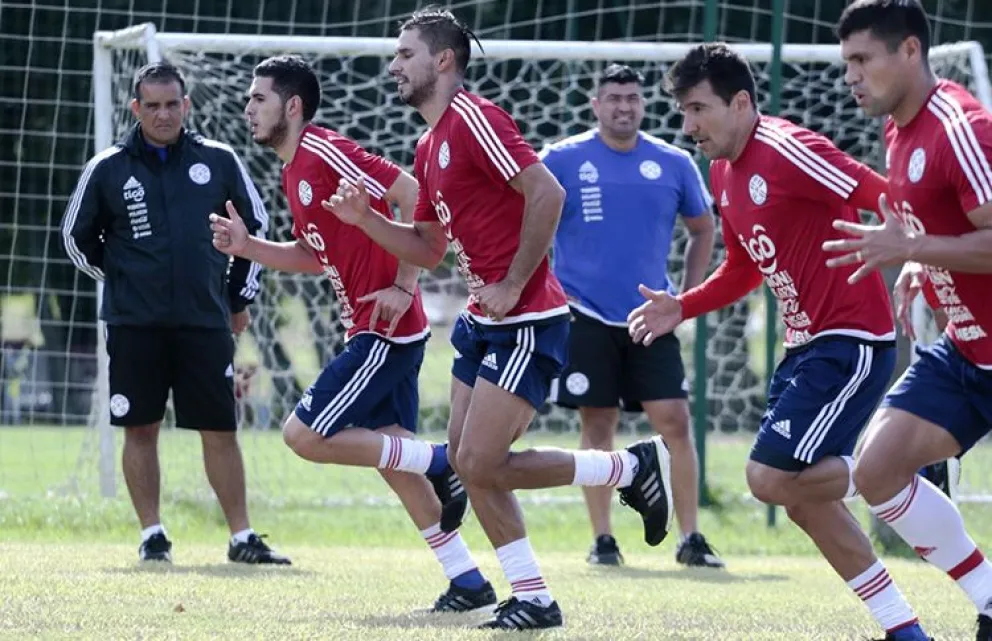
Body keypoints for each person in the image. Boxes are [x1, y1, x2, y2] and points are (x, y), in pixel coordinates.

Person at [323, 8, 673, 630]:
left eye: (406, 54)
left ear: (444, 61)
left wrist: (514, 282)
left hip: (528, 320)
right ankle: (532, 595)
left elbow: (549, 193)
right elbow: (430, 248)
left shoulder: (474, 118)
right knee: (465, 461)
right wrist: (367, 223)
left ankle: (627, 468)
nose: (395, 65)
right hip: (484, 324)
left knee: (479, 463)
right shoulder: (429, 144)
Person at [627, 43, 931, 641]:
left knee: (768, 479)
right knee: (802, 501)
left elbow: (879, 191)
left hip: (848, 338)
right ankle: (905, 630)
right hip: (804, 348)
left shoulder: (789, 149)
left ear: (741, 102)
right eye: (683, 113)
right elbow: (743, 268)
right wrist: (681, 306)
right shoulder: (723, 170)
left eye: (698, 109)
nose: (688, 127)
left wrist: (921, 253)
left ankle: (890, 467)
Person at [209, 54, 495, 613]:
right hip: (377, 331)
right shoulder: (294, 171)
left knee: (303, 435)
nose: (248, 108)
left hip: (384, 333)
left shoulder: (322, 151)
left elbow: (413, 193)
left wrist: (407, 284)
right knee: (395, 465)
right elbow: (314, 257)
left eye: (258, 98)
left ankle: (442, 461)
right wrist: (247, 248)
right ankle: (467, 582)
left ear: (292, 106)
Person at [60, 61, 289, 565]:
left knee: (220, 428)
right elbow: (75, 238)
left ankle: (242, 537)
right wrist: (123, 279)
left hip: (205, 322)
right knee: (139, 427)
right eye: (153, 105)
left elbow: (255, 230)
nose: (164, 115)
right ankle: (152, 534)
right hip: (133, 324)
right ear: (136, 107)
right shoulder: (108, 167)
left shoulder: (220, 160)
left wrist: (236, 299)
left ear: (186, 106)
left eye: (172, 105)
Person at [827, 2, 992, 638]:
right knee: (876, 471)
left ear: (911, 52)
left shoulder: (960, 127)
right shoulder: (900, 129)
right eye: (847, 63)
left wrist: (914, 249)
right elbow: (940, 225)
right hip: (966, 350)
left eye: (862, 60)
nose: (851, 76)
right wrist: (920, 264)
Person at [540, 63, 723, 568]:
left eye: (632, 99)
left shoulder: (673, 162)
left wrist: (688, 296)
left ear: (643, 105)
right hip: (583, 314)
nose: (624, 106)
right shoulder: (561, 159)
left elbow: (702, 228)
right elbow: (527, 216)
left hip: (652, 315)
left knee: (676, 422)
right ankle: (603, 540)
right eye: (614, 98)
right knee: (598, 424)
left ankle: (691, 539)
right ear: (595, 104)